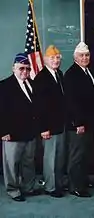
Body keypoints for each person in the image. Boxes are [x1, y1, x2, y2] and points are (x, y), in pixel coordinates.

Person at [0, 53, 40, 201]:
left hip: (30, 132)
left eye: (27, 69)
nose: (25, 72)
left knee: (28, 162)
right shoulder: (4, 86)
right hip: (12, 133)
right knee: (12, 164)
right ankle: (13, 190)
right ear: (13, 68)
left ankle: (28, 188)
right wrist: (3, 131)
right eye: (21, 68)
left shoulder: (32, 84)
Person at [63, 42, 94, 197]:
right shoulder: (72, 74)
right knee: (77, 156)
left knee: (85, 154)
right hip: (79, 124)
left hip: (89, 122)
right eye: (81, 55)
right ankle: (75, 186)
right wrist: (78, 123)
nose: (84, 58)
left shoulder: (87, 71)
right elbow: (71, 101)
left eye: (87, 55)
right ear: (75, 57)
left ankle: (82, 181)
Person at [33, 45, 66, 198]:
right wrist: (43, 128)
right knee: (50, 159)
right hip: (49, 127)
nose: (55, 60)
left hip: (60, 125)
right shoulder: (41, 78)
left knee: (59, 158)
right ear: (45, 60)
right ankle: (50, 187)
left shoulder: (59, 74)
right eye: (52, 58)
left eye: (58, 57)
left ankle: (58, 184)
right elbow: (39, 106)